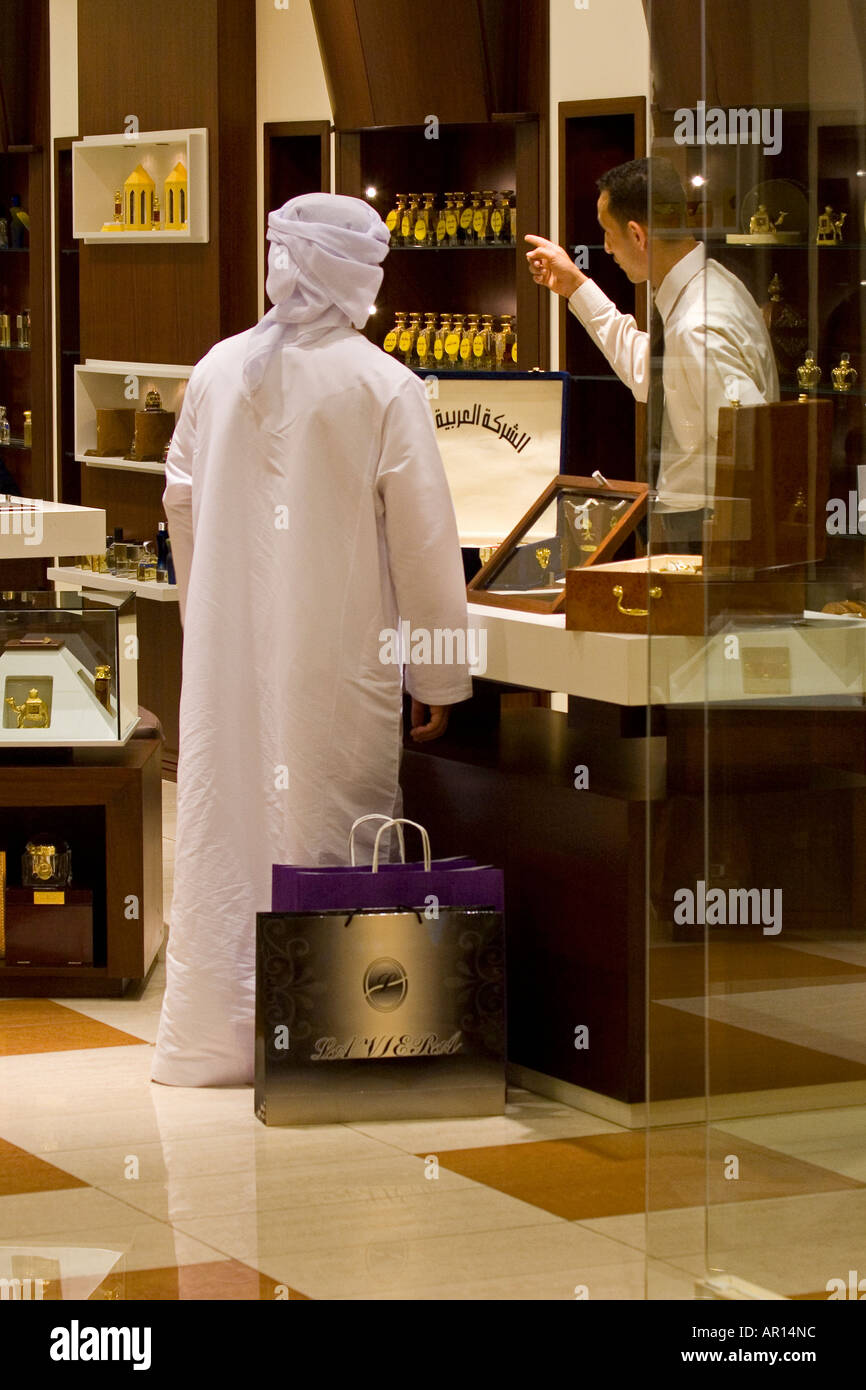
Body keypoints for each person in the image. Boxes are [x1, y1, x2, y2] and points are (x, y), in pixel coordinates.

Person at [152, 193, 473, 1088]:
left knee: (224, 830)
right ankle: (326, 1040)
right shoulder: (384, 386)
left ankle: (218, 1040)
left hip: (224, 665)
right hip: (340, 673)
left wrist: (210, 620)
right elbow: (425, 547)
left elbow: (178, 504)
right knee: (328, 832)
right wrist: (441, 684)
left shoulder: (216, 371)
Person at [526, 157, 779, 550]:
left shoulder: (698, 323)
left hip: (711, 532)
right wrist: (575, 286)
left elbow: (748, 443)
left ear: (637, 234)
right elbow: (649, 372)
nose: (606, 248)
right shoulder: (706, 289)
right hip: (702, 523)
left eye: (608, 234)